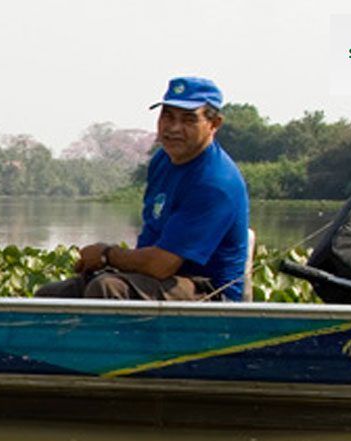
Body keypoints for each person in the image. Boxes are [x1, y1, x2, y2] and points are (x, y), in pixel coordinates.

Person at [35, 76, 249, 301]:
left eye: (188, 120)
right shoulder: (162, 161)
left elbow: (161, 265)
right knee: (51, 296)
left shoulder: (215, 182)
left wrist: (107, 255)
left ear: (214, 124)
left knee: (107, 289)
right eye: (168, 116)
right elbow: (150, 239)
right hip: (162, 278)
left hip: (208, 290)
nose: (174, 128)